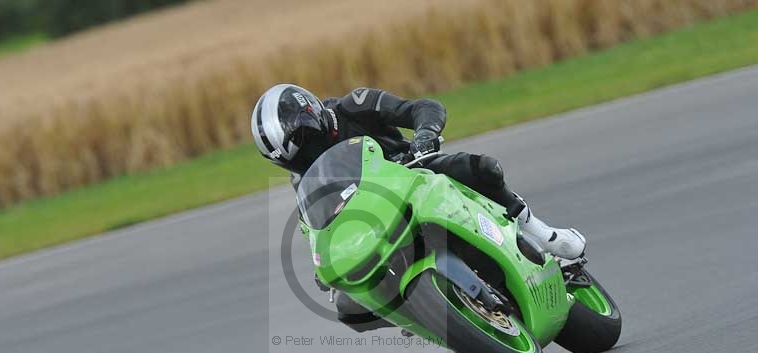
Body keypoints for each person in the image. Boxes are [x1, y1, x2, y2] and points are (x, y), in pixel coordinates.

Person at [251, 84, 586, 260]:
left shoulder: (354, 104)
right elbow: (316, 226)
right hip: (375, 220)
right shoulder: (303, 177)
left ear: (314, 117)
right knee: (345, 304)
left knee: (483, 168)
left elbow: (422, 108)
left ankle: (541, 233)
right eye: (293, 160)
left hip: (414, 172)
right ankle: (423, 312)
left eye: (305, 144)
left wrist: (424, 137)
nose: (305, 157)